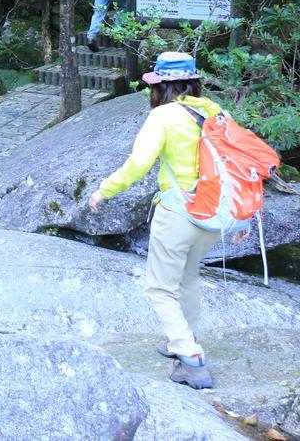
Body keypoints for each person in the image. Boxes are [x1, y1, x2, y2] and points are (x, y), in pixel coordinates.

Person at [87, 52, 232, 390]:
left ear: (161, 85)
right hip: (212, 212)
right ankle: (182, 340)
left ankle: (190, 356)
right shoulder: (215, 110)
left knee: (159, 288)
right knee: (187, 279)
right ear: (193, 81)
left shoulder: (163, 116)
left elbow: (139, 163)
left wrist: (103, 191)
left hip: (178, 212)